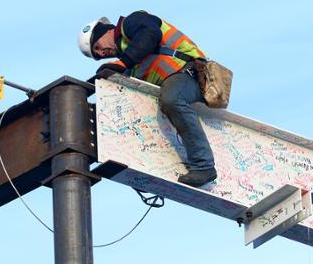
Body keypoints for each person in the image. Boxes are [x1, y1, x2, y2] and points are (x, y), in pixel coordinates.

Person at [78, 10, 217, 187]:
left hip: (193, 72)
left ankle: (203, 165)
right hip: (179, 81)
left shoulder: (132, 23)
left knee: (172, 98)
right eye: (97, 55)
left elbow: (151, 34)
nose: (101, 53)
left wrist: (123, 63)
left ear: (105, 30)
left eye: (96, 46)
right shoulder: (132, 65)